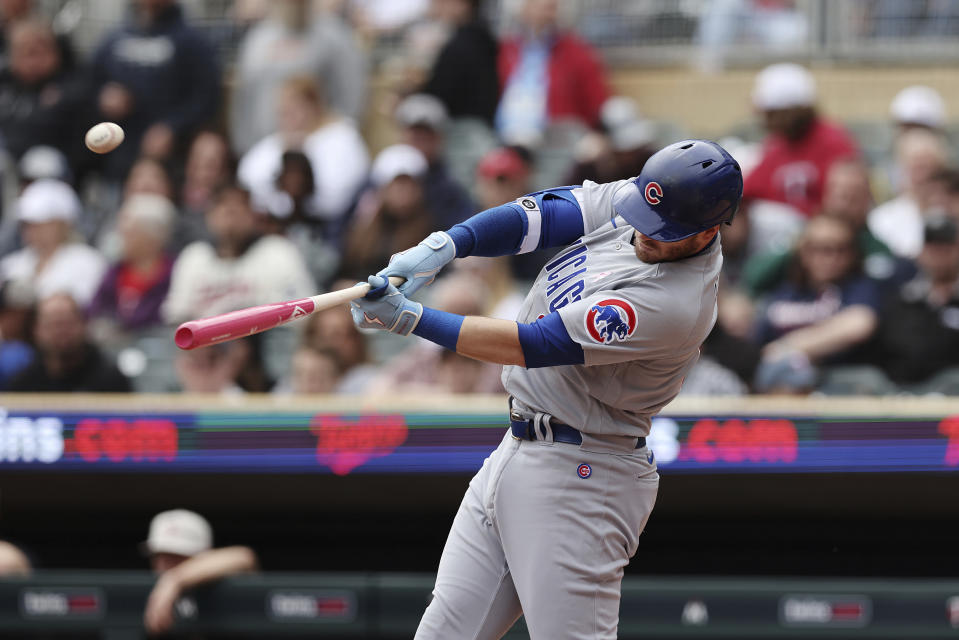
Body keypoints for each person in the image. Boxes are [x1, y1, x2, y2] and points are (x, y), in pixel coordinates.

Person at [350, 139, 742, 638]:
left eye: (661, 230)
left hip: (584, 473)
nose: (643, 230)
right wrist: (446, 244)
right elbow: (543, 216)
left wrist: (411, 319)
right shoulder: (652, 201)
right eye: (642, 211)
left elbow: (532, 344)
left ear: (707, 229)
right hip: (518, 448)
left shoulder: (676, 303)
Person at [89, 0, 220, 179]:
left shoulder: (192, 41)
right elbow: (90, 83)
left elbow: (207, 97)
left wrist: (173, 127)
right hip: (117, 160)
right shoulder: (114, 37)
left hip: (171, 166)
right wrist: (104, 96)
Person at [752, 215, 881, 393]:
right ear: (804, 253)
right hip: (783, 385)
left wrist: (785, 348)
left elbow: (860, 323)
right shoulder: (786, 292)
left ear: (852, 255)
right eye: (821, 249)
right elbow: (759, 343)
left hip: (841, 383)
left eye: (840, 249)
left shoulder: (859, 287)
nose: (831, 258)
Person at [230, 0, 367, 154]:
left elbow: (350, 101)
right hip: (263, 151)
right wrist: (244, 149)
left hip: (316, 154)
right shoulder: (258, 40)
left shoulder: (336, 38)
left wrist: (334, 144)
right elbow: (244, 101)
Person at [743, 63, 858, 217]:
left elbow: (844, 204)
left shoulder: (833, 140)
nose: (765, 121)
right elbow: (749, 191)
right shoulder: (776, 145)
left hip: (823, 228)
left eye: (770, 114)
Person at [495, 0, 611, 146]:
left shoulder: (575, 51)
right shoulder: (506, 50)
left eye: (552, 6)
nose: (547, 7)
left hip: (558, 141)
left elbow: (598, 103)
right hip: (506, 138)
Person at [141, 509, 258, 635]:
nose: (166, 565)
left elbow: (244, 557)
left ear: (206, 557)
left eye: (177, 556)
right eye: (161, 556)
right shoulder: (145, 596)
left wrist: (174, 579)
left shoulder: (217, 594)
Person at [0, 179, 106, 306]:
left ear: (64, 224)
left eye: (41, 223)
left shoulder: (89, 263)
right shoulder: (10, 265)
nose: (31, 229)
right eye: (27, 223)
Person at [88, 194, 176, 334]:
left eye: (129, 233)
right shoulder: (114, 272)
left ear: (151, 238)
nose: (121, 238)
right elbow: (96, 311)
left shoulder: (175, 273)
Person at [8, 292, 131, 392]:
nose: (61, 332)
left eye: (67, 323)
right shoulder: (24, 382)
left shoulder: (110, 378)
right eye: (53, 325)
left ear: (83, 325)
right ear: (36, 330)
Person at [420, 0, 498, 125]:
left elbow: (440, 93)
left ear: (463, 5)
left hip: (465, 129)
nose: (438, 6)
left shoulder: (464, 43)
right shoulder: (481, 37)